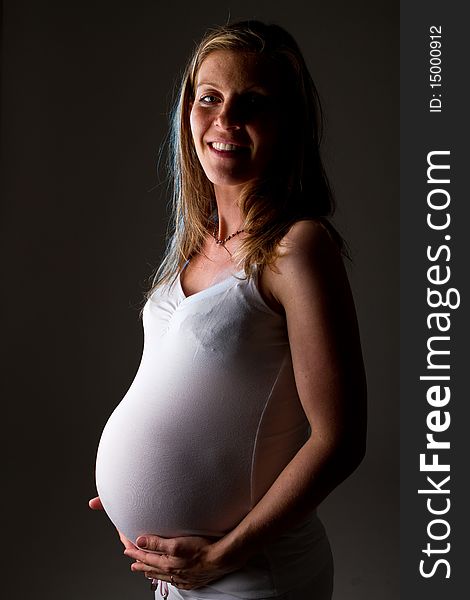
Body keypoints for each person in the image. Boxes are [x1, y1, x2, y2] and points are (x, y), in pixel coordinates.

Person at [89, 20, 367, 600]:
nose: (225, 121)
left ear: (288, 124)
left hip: (251, 570)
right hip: (181, 571)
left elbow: (340, 439)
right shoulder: (192, 245)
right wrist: (130, 491)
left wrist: (222, 553)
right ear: (187, 109)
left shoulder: (298, 246)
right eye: (209, 98)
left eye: (253, 104)